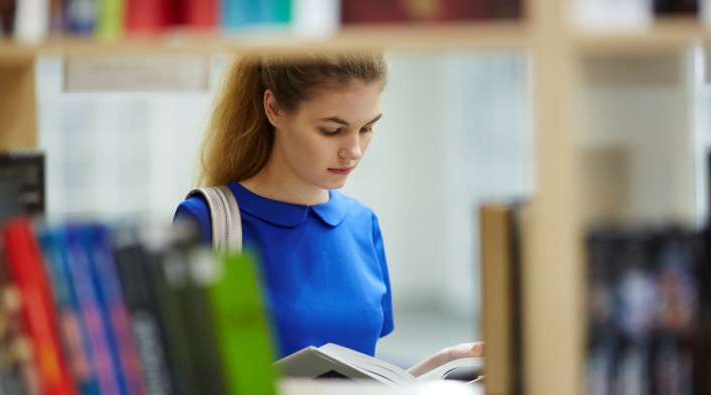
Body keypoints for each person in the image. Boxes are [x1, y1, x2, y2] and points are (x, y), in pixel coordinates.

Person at [173, 51, 482, 377]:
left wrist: (441, 364)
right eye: (332, 130)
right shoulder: (207, 222)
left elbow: (359, 385)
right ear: (274, 109)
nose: (354, 151)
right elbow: (176, 379)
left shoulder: (364, 225)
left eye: (367, 128)